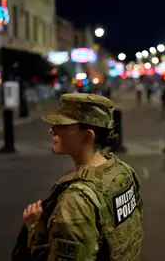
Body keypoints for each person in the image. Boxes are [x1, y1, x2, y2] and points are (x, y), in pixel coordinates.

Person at [16, 93, 144, 260]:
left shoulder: (77, 199)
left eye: (61, 125)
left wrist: (35, 229)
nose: (51, 130)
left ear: (87, 136)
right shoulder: (123, 170)